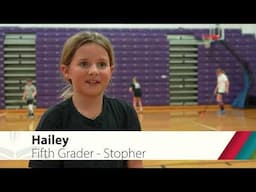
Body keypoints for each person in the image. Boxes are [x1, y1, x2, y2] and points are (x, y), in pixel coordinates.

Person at [29, 31, 143, 168]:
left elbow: (135, 164)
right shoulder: (53, 120)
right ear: (66, 71)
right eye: (84, 64)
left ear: (111, 71)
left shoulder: (126, 114)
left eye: (102, 64)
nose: (94, 71)